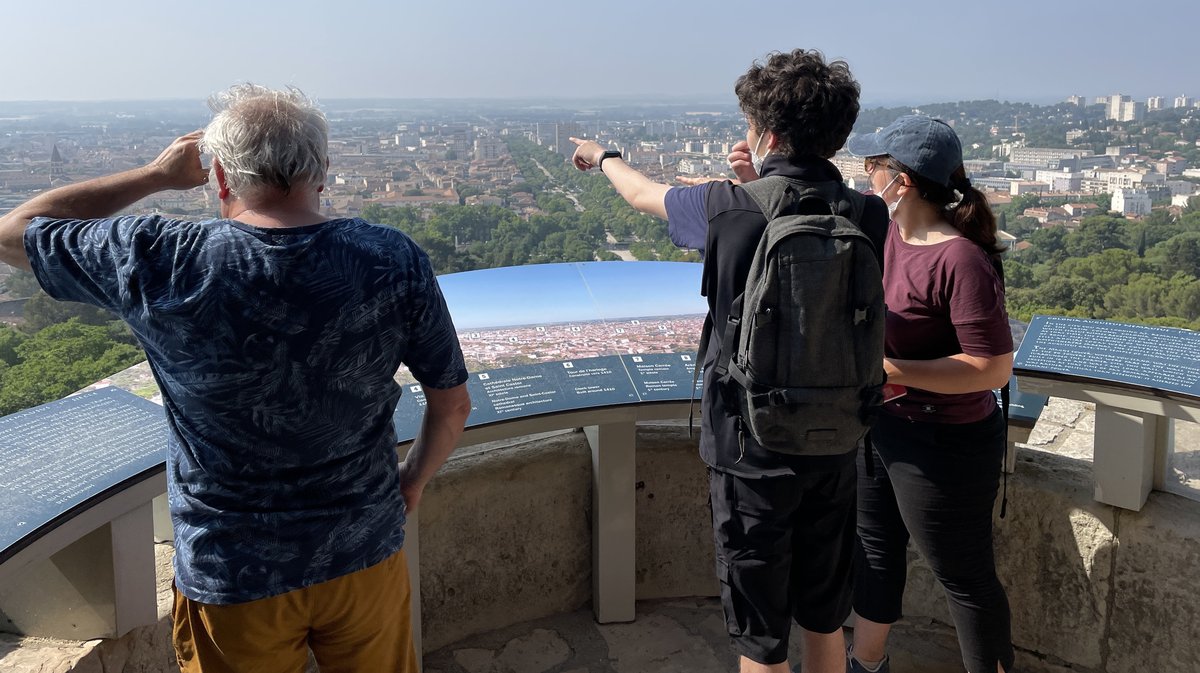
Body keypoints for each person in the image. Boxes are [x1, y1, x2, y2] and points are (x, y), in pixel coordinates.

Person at [0, 84, 472, 673]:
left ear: (219, 177)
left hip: (232, 569)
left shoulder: (160, 259)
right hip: (362, 548)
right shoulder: (389, 258)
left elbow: (12, 231)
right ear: (321, 172)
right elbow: (451, 405)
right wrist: (411, 484)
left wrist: (154, 175)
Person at [572, 49, 887, 673]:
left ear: (766, 133)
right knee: (824, 619)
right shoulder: (868, 213)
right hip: (837, 437)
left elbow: (641, 194)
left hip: (751, 446)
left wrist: (602, 156)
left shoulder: (726, 207)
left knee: (759, 637)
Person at [845, 115, 1015, 673]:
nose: (867, 175)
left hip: (947, 440)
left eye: (874, 166)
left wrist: (893, 367)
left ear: (904, 179)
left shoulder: (958, 259)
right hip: (884, 423)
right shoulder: (888, 231)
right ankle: (866, 665)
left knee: (962, 574)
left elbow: (991, 368)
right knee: (874, 551)